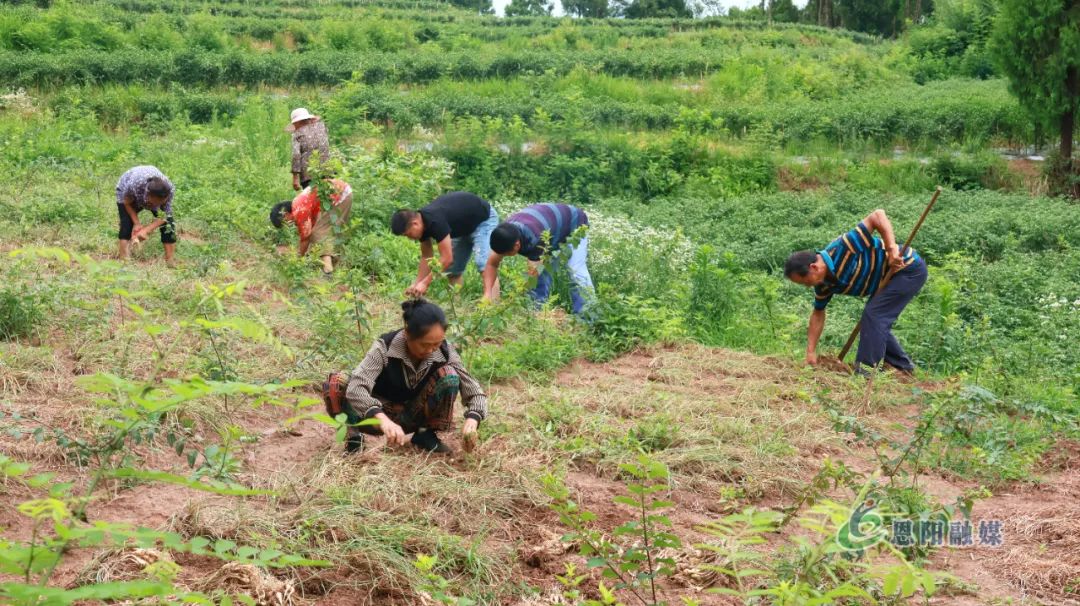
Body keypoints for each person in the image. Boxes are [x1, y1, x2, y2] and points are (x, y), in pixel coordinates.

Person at [784, 208, 928, 376]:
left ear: (813, 267)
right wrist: (810, 352)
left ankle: (866, 373)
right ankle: (903, 367)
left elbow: (877, 215)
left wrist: (891, 250)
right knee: (873, 319)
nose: (808, 287)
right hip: (883, 280)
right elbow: (818, 313)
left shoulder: (843, 249)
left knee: (874, 315)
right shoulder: (823, 284)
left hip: (906, 269)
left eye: (806, 282)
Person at [341, 299, 486, 454]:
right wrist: (382, 419)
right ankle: (354, 437)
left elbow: (474, 390)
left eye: (436, 344)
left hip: (414, 413)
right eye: (424, 344)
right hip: (377, 415)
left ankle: (424, 434)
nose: (431, 350)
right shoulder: (384, 348)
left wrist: (473, 419)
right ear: (407, 333)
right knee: (337, 383)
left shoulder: (445, 351)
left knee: (449, 376)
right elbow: (356, 387)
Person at [483, 203, 593, 316]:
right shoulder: (503, 235)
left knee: (575, 272)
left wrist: (512, 301)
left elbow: (531, 277)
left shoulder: (534, 239)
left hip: (574, 224)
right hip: (549, 229)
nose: (503, 256)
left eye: (506, 254)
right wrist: (488, 294)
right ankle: (537, 314)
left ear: (516, 245)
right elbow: (491, 265)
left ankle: (587, 317)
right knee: (542, 274)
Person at [390, 191, 500, 297]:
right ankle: (457, 307)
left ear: (415, 224)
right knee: (453, 270)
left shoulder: (435, 221)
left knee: (484, 263)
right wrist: (416, 284)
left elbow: (447, 259)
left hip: (483, 220)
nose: (409, 238)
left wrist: (425, 283)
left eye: (408, 234)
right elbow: (426, 257)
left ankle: (492, 306)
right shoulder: (422, 225)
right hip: (462, 228)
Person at [270, 178, 353, 275]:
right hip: (342, 192)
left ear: (285, 214)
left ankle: (328, 270)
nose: (289, 224)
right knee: (329, 230)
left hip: (340, 194)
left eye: (285, 222)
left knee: (318, 233)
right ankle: (335, 265)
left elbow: (306, 237)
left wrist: (298, 260)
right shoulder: (299, 203)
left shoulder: (299, 209)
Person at [115, 165, 177, 265]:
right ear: (148, 196)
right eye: (155, 203)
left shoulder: (169, 190)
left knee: (169, 225)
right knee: (126, 223)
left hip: (146, 189)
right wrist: (136, 223)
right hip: (125, 187)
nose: (158, 206)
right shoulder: (135, 186)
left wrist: (146, 230)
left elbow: (165, 215)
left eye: (161, 203)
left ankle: (170, 261)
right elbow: (126, 202)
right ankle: (124, 261)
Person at [286, 108, 330, 191]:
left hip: (309, 176)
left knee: (313, 201)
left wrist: (295, 178)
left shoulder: (297, 134)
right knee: (329, 199)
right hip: (328, 171)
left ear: (296, 122)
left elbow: (296, 155)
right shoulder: (323, 128)